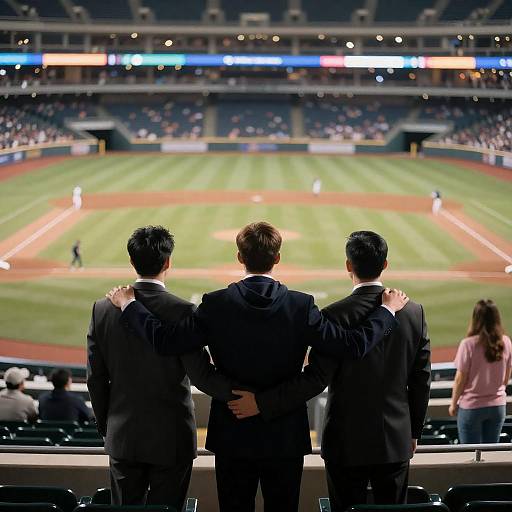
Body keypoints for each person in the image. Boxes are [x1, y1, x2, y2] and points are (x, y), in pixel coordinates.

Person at [108, 222, 408, 512]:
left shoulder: (215, 304)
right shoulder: (301, 306)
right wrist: (386, 311)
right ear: (277, 258)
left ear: (240, 258)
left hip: (232, 434)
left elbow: (165, 341)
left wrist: (130, 305)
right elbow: (351, 347)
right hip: (285, 436)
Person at [229, 230, 431, 511]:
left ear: (348, 265)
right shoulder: (414, 313)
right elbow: (421, 380)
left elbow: (314, 380)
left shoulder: (333, 315)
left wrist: (263, 403)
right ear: (384, 264)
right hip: (395, 439)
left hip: (345, 440)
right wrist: (413, 432)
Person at [87, 226, 233, 510]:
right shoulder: (183, 312)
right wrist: (249, 393)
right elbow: (202, 376)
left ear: (132, 262)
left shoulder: (101, 309)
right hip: (172, 436)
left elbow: (96, 379)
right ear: (168, 262)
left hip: (124, 436)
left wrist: (110, 426)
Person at [449, 299, 512, 444]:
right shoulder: (506, 342)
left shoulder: (468, 344)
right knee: (490, 455)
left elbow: (460, 379)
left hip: (472, 407)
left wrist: (453, 404)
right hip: (497, 406)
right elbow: (506, 377)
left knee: (470, 455)